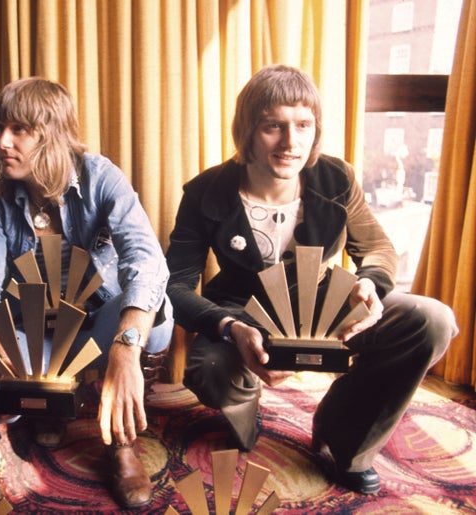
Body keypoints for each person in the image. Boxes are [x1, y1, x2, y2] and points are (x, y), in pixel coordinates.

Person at [165, 64, 457, 495]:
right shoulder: (206, 190)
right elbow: (175, 285)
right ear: (247, 130)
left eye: (303, 125)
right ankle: (245, 409)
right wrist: (230, 328)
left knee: (432, 319)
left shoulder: (337, 178)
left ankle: (344, 437)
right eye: (273, 127)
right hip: (242, 311)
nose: (290, 142)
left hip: (326, 305)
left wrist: (371, 285)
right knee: (208, 369)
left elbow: (376, 248)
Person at [0, 77, 174, 509]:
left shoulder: (99, 177)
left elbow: (146, 261)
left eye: (19, 129)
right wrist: (10, 361)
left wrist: (125, 347)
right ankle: (50, 405)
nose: (2, 142)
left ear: (53, 132)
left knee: (158, 317)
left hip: (98, 326)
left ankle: (122, 443)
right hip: (34, 338)